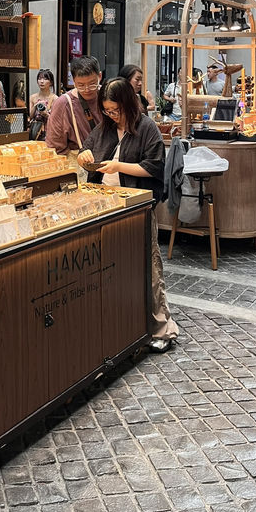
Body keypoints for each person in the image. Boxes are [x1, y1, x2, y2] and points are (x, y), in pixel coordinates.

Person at [77, 77, 179, 353]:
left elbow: (155, 167)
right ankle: (124, 327)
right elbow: (86, 149)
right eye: (107, 110)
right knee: (114, 268)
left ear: (128, 105)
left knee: (149, 265)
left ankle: (161, 328)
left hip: (139, 206)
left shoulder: (146, 128)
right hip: (107, 206)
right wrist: (84, 155)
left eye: (116, 110)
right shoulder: (105, 127)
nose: (111, 115)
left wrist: (119, 166)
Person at [45, 56, 102, 177]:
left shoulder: (108, 95)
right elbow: (54, 147)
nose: (87, 90)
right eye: (80, 85)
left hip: (110, 164)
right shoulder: (63, 104)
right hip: (80, 166)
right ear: (73, 81)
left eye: (92, 84)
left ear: (100, 76)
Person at [29, 69, 58, 141]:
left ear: (51, 82)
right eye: (39, 79)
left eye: (45, 79)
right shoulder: (33, 97)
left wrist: (46, 114)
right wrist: (36, 106)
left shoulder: (55, 98)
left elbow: (57, 120)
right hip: (35, 131)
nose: (42, 81)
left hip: (49, 132)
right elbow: (30, 116)